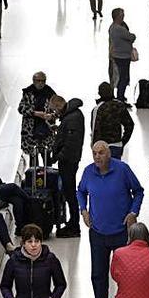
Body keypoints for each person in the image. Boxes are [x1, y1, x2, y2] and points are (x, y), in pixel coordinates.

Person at [77, 141, 144, 298]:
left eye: (101, 153)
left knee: (126, 274)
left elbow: (138, 192)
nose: (97, 157)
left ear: (109, 154)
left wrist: (133, 212)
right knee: (98, 274)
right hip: (98, 233)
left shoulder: (122, 170)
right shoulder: (88, 172)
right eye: (94, 153)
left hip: (122, 233)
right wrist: (83, 210)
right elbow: (80, 191)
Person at [51, 97, 85, 238]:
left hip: (69, 161)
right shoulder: (71, 116)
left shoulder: (72, 118)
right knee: (68, 191)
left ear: (59, 105)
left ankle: (74, 226)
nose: (54, 112)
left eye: (54, 109)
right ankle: (72, 222)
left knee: (70, 192)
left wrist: (58, 156)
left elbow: (71, 144)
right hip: (69, 160)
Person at [17, 71, 57, 162]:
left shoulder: (50, 93)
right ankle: (34, 175)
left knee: (46, 157)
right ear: (34, 81)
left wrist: (51, 115)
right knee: (33, 158)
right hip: (31, 131)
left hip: (46, 130)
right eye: (38, 81)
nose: (41, 83)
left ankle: (47, 175)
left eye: (43, 81)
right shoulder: (28, 92)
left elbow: (58, 109)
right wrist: (35, 113)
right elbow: (21, 108)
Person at [91, 82, 134, 160]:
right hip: (117, 145)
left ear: (99, 93)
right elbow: (130, 125)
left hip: (102, 147)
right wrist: (123, 141)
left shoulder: (98, 109)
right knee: (115, 170)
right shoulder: (120, 105)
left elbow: (95, 130)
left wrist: (94, 149)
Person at [109, 8, 136, 102]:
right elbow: (131, 37)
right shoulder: (119, 29)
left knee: (122, 76)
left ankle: (121, 96)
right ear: (118, 16)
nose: (123, 16)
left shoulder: (112, 27)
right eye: (122, 15)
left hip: (118, 55)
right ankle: (120, 97)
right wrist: (133, 35)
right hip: (123, 56)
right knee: (123, 78)